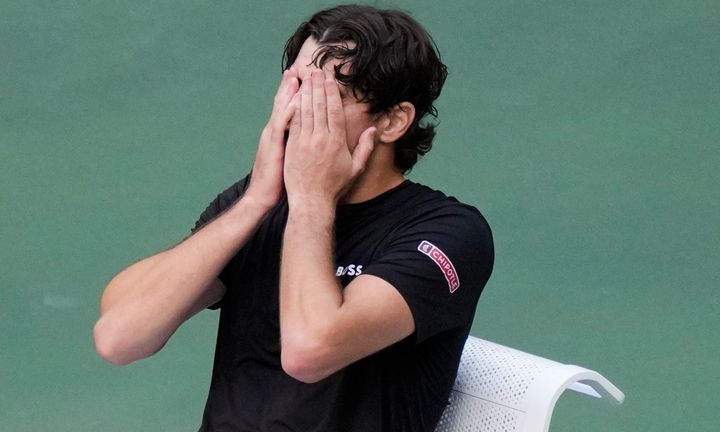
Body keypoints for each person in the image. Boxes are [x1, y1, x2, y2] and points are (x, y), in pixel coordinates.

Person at [94, 4, 494, 432]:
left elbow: (309, 351)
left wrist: (311, 200)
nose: (300, 112)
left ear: (394, 120)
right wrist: (253, 203)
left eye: (327, 99)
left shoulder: (450, 232)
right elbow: (120, 338)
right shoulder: (260, 204)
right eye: (298, 88)